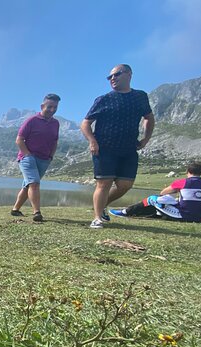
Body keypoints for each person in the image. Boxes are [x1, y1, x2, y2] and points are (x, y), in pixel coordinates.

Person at [81, 64, 155, 229]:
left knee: (125, 185)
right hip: (104, 148)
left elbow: (149, 118)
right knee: (104, 184)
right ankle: (97, 218)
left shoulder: (140, 96)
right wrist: (92, 141)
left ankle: (101, 205)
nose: (112, 79)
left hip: (129, 148)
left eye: (116, 75)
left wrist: (145, 139)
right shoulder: (104, 99)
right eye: (110, 77)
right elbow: (85, 123)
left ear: (129, 74)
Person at [10, 93, 61, 222]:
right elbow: (19, 140)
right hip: (28, 157)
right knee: (34, 183)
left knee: (27, 185)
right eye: (49, 107)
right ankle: (36, 212)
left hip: (44, 159)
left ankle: (15, 209)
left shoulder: (56, 123)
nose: (52, 110)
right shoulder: (32, 121)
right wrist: (27, 154)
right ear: (42, 106)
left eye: (55, 107)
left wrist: (51, 156)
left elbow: (55, 141)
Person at [109, 161, 201, 223]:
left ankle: (125, 212)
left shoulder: (183, 182)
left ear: (187, 171)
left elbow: (163, 193)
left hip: (183, 216)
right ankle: (151, 213)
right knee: (171, 202)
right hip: (199, 217)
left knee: (153, 199)